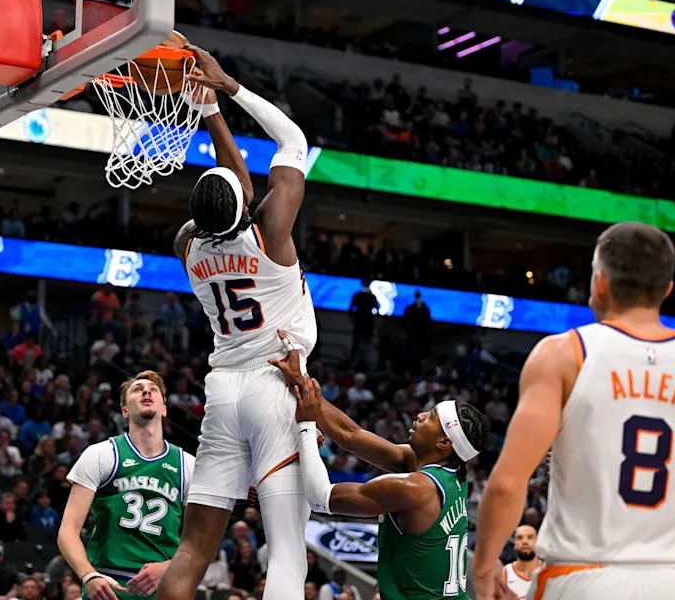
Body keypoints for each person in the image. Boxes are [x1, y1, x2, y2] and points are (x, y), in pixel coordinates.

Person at [471, 222, 675, 600]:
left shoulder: (561, 355)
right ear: (667, 289)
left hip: (579, 577)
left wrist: (485, 564)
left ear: (599, 282)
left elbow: (507, 483)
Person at [158, 45, 316, 600]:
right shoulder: (271, 230)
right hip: (275, 383)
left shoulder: (186, 247)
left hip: (222, 390)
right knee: (286, 543)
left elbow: (231, 199)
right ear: (246, 205)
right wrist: (227, 88)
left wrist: (208, 113)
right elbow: (293, 142)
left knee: (194, 547)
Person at [271, 330, 489, 600]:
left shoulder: (416, 488)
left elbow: (320, 498)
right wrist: (302, 384)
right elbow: (351, 436)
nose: (420, 415)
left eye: (431, 417)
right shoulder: (450, 471)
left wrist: (305, 425)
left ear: (444, 443)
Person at [58, 370, 195, 600]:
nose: (146, 391)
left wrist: (171, 567)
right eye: (137, 389)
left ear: (164, 409)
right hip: (109, 582)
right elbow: (68, 530)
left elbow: (200, 542)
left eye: (153, 390)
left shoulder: (188, 465)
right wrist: (88, 575)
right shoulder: (101, 454)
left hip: (165, 585)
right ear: (125, 411)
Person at [502, 525, 542, 598]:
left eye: (530, 537)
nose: (525, 542)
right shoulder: (504, 574)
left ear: (538, 542)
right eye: (520, 538)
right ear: (514, 544)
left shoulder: (549, 571)